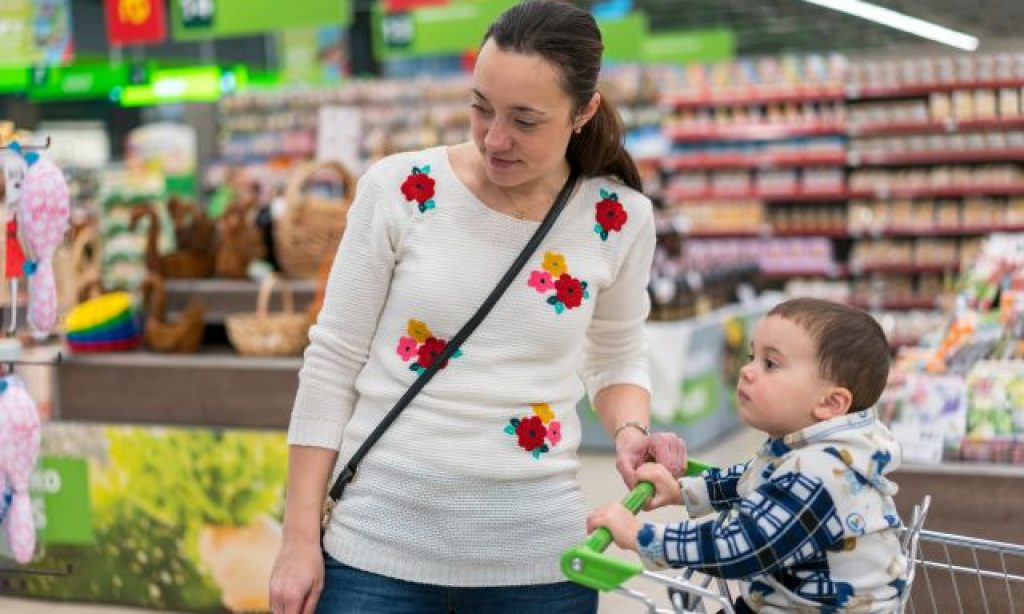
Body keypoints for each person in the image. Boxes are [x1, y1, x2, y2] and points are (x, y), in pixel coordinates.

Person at [269, 2, 686, 613]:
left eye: (524, 120)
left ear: (584, 112)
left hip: (540, 558)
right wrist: (298, 538)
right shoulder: (400, 190)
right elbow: (331, 366)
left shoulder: (617, 217)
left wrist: (630, 430)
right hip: (377, 551)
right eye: (481, 107)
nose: (494, 138)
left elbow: (618, 355)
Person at [588, 298, 908, 613]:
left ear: (830, 403)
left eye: (770, 364)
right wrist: (683, 492)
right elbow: (756, 478)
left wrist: (640, 537)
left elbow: (739, 546)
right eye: (751, 356)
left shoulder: (821, 473)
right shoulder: (818, 447)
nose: (746, 371)